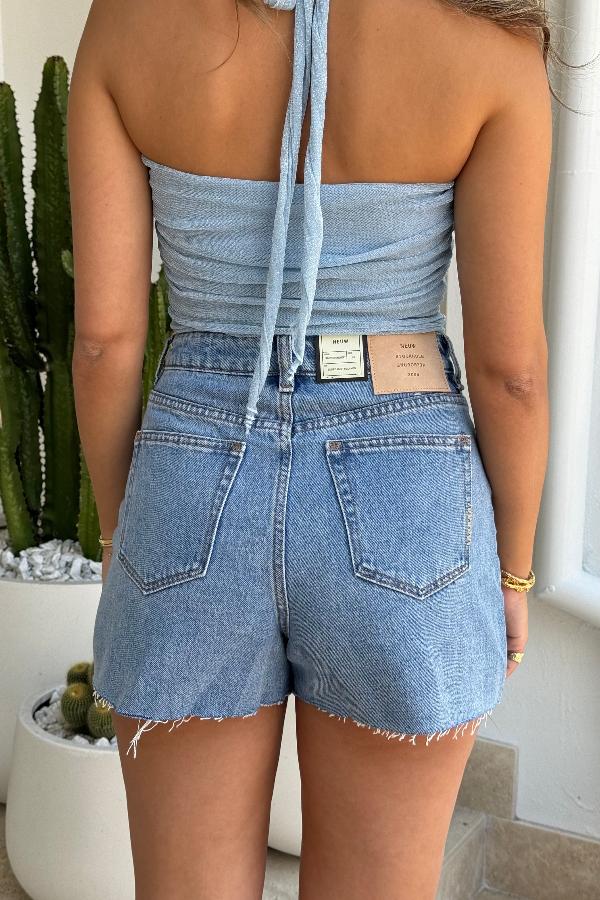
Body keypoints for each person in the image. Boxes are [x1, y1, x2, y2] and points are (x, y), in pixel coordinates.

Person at [67, 0, 552, 896]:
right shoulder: (493, 43)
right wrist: (514, 574)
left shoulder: (129, 20)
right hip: (406, 479)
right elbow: (511, 371)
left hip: (194, 467)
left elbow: (103, 342)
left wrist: (116, 529)